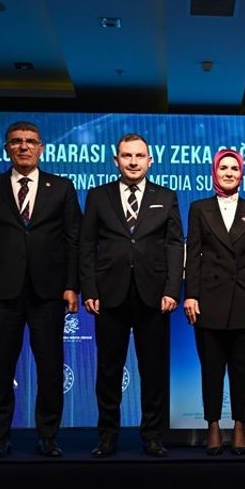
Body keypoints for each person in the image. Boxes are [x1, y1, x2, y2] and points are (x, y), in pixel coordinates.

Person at [0, 121, 80, 458]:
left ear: (41, 148)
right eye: (16, 142)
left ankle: (48, 436)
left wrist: (71, 286)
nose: (23, 147)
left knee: (50, 368)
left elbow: (73, 241)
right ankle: (0, 437)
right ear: (6, 148)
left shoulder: (61, 187)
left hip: (48, 293)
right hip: (3, 292)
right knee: (0, 367)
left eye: (30, 141)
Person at [81, 133, 182, 458]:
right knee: (109, 371)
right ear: (116, 161)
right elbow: (86, 245)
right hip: (109, 296)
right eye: (127, 156)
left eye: (140, 156)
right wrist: (90, 289)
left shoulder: (166, 196)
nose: (134, 162)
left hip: (154, 297)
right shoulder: (98, 196)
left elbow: (174, 245)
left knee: (153, 371)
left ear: (150, 161)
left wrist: (171, 289)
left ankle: (152, 436)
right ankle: (107, 436)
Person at [184, 149, 245, 455]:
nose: (230, 172)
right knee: (211, 368)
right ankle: (212, 425)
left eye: (235, 168)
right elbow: (192, 254)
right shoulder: (198, 208)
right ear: (215, 172)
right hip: (208, 299)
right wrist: (190, 295)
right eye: (224, 168)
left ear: (241, 173)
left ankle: (238, 426)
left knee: (241, 368)